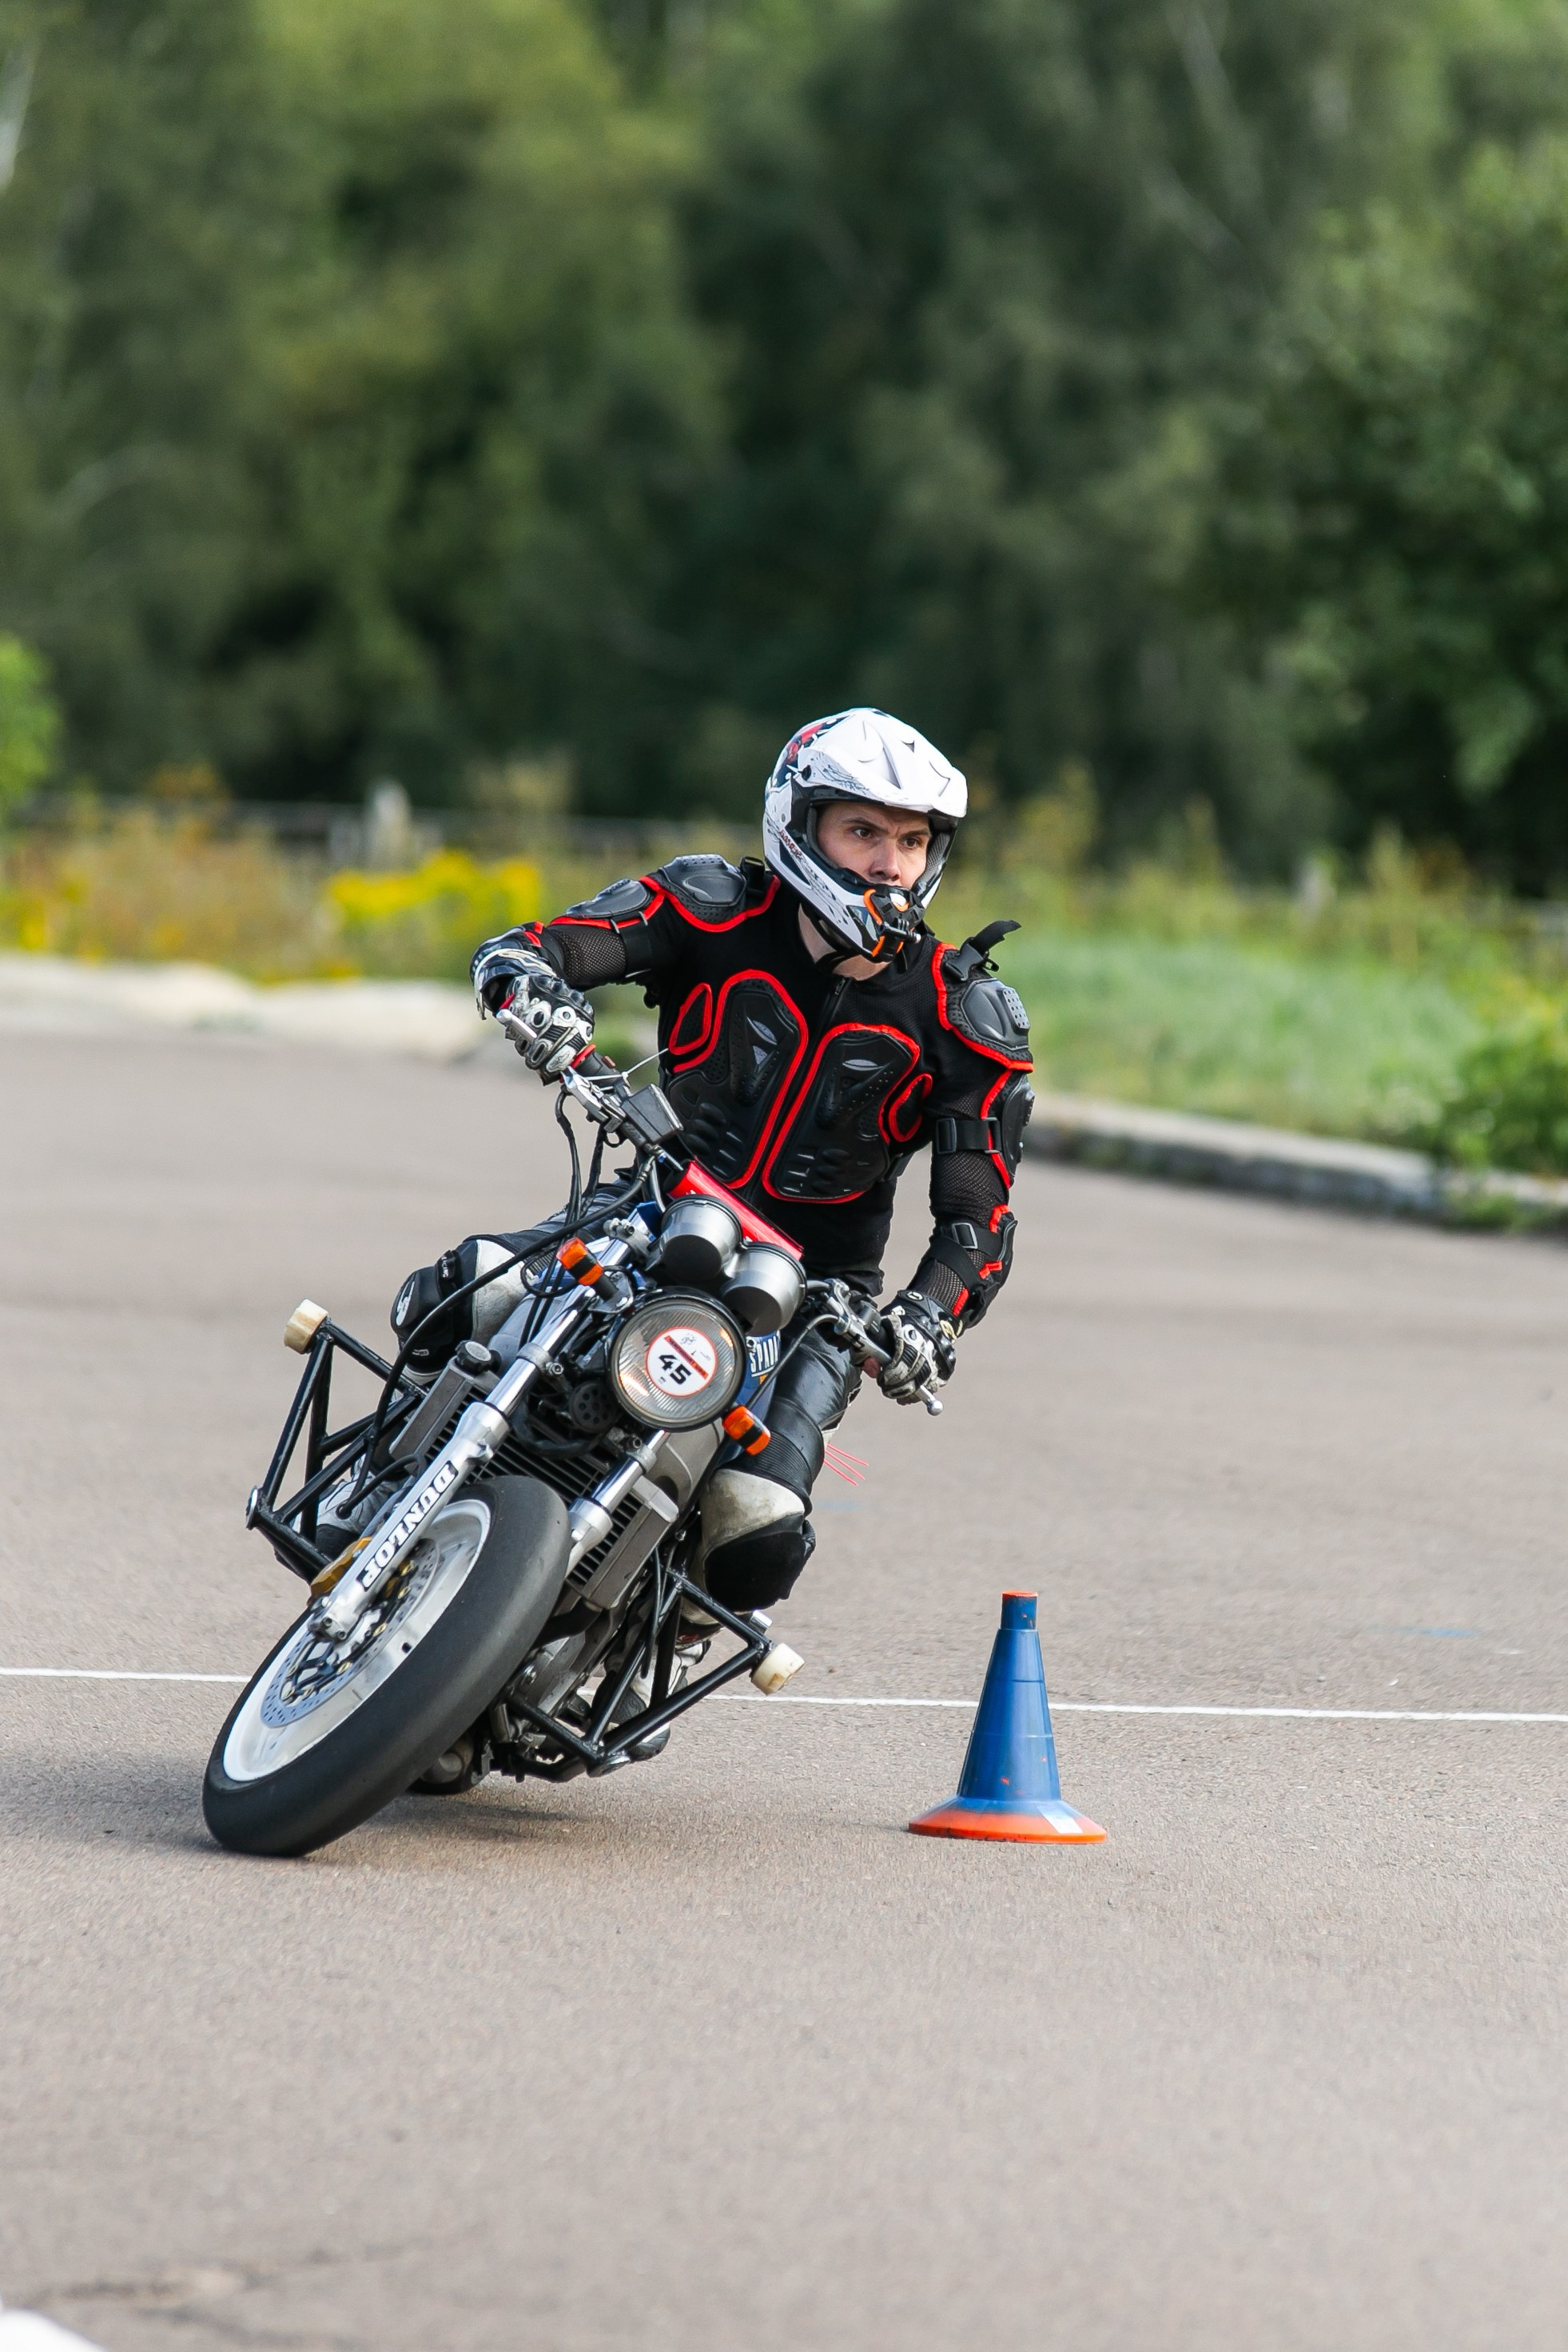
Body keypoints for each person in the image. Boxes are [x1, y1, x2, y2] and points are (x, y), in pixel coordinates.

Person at [468, 707, 1033, 1618]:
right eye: (863, 832)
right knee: (470, 1290)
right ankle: (383, 1481)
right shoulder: (711, 904)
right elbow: (547, 946)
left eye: (912, 841)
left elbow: (978, 1221)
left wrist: (929, 1317)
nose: (890, 864)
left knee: (756, 1530)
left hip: (817, 1301)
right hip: (653, 1211)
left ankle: (646, 1633)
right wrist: (530, 985)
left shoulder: (964, 1016)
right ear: (799, 824)